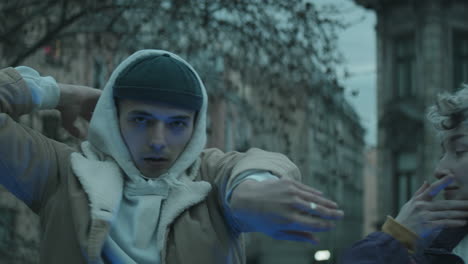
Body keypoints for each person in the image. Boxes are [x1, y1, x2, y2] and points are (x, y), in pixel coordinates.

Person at [0, 49, 344, 264]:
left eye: (177, 124)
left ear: (196, 126)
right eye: (141, 120)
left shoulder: (209, 179)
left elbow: (258, 163)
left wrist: (251, 189)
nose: (158, 141)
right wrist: (59, 92)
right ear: (113, 116)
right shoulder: (62, 173)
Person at [341, 85, 468, 264]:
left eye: (460, 150)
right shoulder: (432, 248)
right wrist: (396, 237)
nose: (439, 169)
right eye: (442, 154)